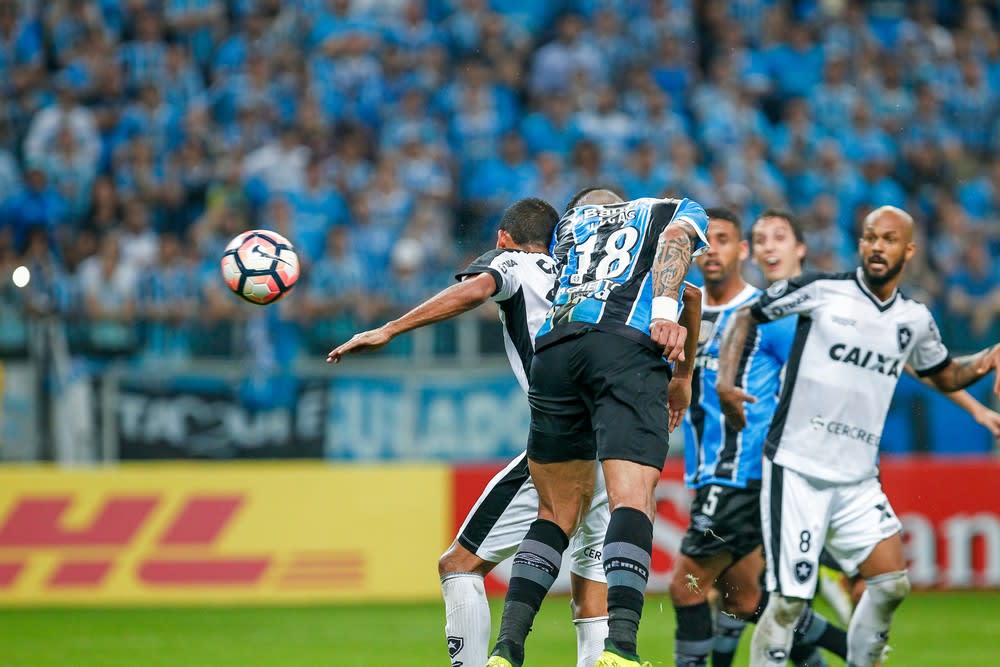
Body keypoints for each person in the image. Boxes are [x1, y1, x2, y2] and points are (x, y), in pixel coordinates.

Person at [327, 197, 613, 667]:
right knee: (590, 583)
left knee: (459, 564)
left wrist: (390, 329)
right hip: (614, 441)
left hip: (565, 439)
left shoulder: (512, 261)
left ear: (503, 237)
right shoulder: (582, 275)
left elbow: (479, 288)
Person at [716, 206, 1000, 667]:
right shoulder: (823, 290)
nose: (877, 247)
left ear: (909, 250)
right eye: (870, 237)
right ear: (861, 243)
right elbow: (749, 315)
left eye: (889, 239)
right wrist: (727, 384)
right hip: (797, 468)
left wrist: (986, 357)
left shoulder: (914, 319)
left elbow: (944, 374)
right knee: (788, 602)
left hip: (857, 479)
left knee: (892, 585)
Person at [487, 188, 709, 667]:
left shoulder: (566, 231)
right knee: (633, 498)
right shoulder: (664, 209)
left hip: (554, 356)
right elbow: (679, 261)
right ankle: (621, 648)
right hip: (625, 348)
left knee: (554, 514)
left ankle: (507, 650)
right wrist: (674, 343)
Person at [670, 209, 847, 667]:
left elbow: (816, 375)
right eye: (704, 243)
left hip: (742, 471)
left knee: (686, 584)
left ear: (742, 251)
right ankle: (854, 649)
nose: (712, 251)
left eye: (724, 240)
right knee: (745, 600)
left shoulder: (763, 314)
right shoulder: (681, 313)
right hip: (706, 472)